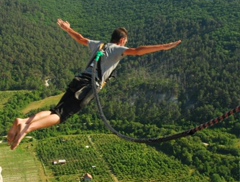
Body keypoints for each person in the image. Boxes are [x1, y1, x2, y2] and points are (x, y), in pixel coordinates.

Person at [7, 19, 182, 150]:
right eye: (125, 43)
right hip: (89, 87)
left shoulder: (100, 45)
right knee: (61, 117)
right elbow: (138, 51)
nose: (125, 46)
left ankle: (24, 120)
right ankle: (26, 129)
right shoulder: (117, 49)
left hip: (79, 79)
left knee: (56, 110)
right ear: (122, 41)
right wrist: (164, 47)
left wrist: (68, 29)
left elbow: (81, 39)